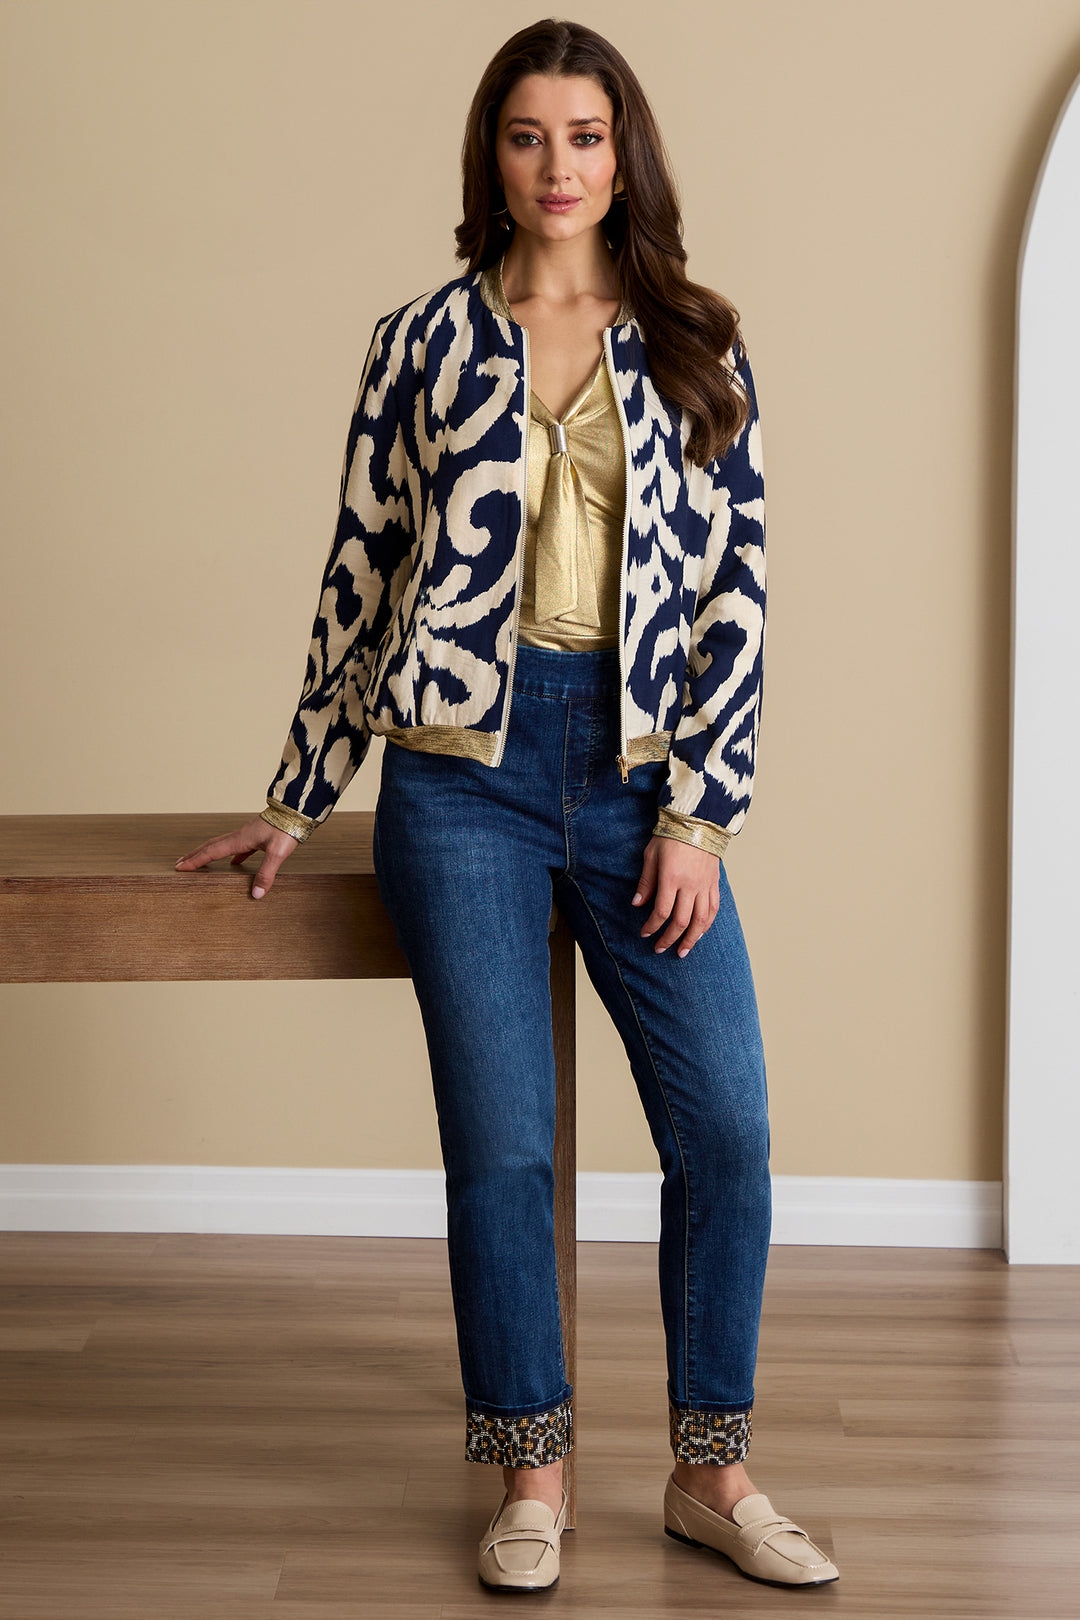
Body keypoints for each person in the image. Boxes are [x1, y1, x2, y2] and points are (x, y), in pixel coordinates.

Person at [174, 16, 839, 1596]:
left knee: (727, 1128)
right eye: (530, 135)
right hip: (458, 781)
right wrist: (294, 794)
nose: (559, 166)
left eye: (588, 136)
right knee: (502, 1151)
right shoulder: (418, 340)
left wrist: (700, 814)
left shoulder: (696, 334)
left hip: (637, 770)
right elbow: (359, 574)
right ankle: (527, 1474)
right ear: (492, 151)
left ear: (628, 154)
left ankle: (711, 1470)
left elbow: (741, 592)